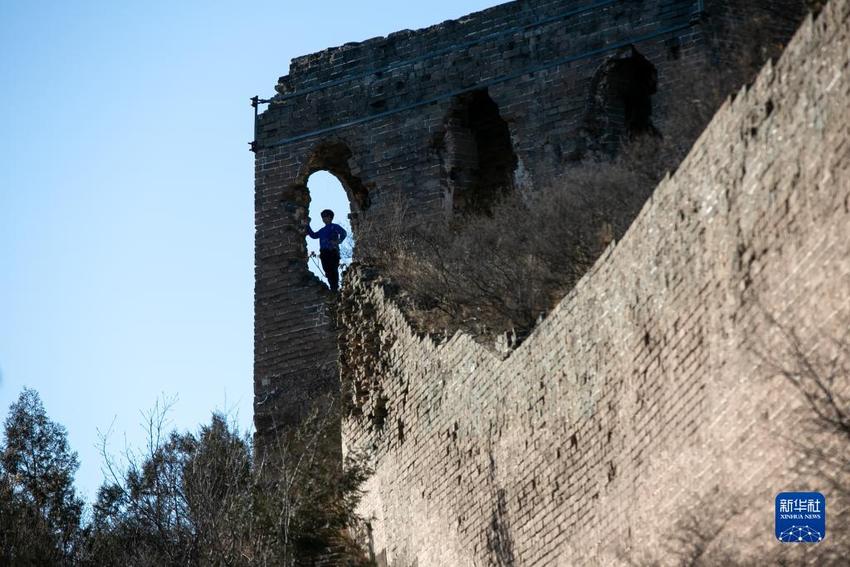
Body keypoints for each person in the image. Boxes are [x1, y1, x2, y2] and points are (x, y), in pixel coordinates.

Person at [305, 209, 347, 292]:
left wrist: (338, 241)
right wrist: (307, 225)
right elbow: (313, 235)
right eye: (322, 217)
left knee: (333, 269)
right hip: (324, 252)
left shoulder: (334, 226)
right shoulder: (322, 230)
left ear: (330, 217)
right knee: (326, 269)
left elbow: (343, 233)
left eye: (325, 217)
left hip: (332, 251)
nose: (323, 219)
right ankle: (332, 287)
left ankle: (335, 287)